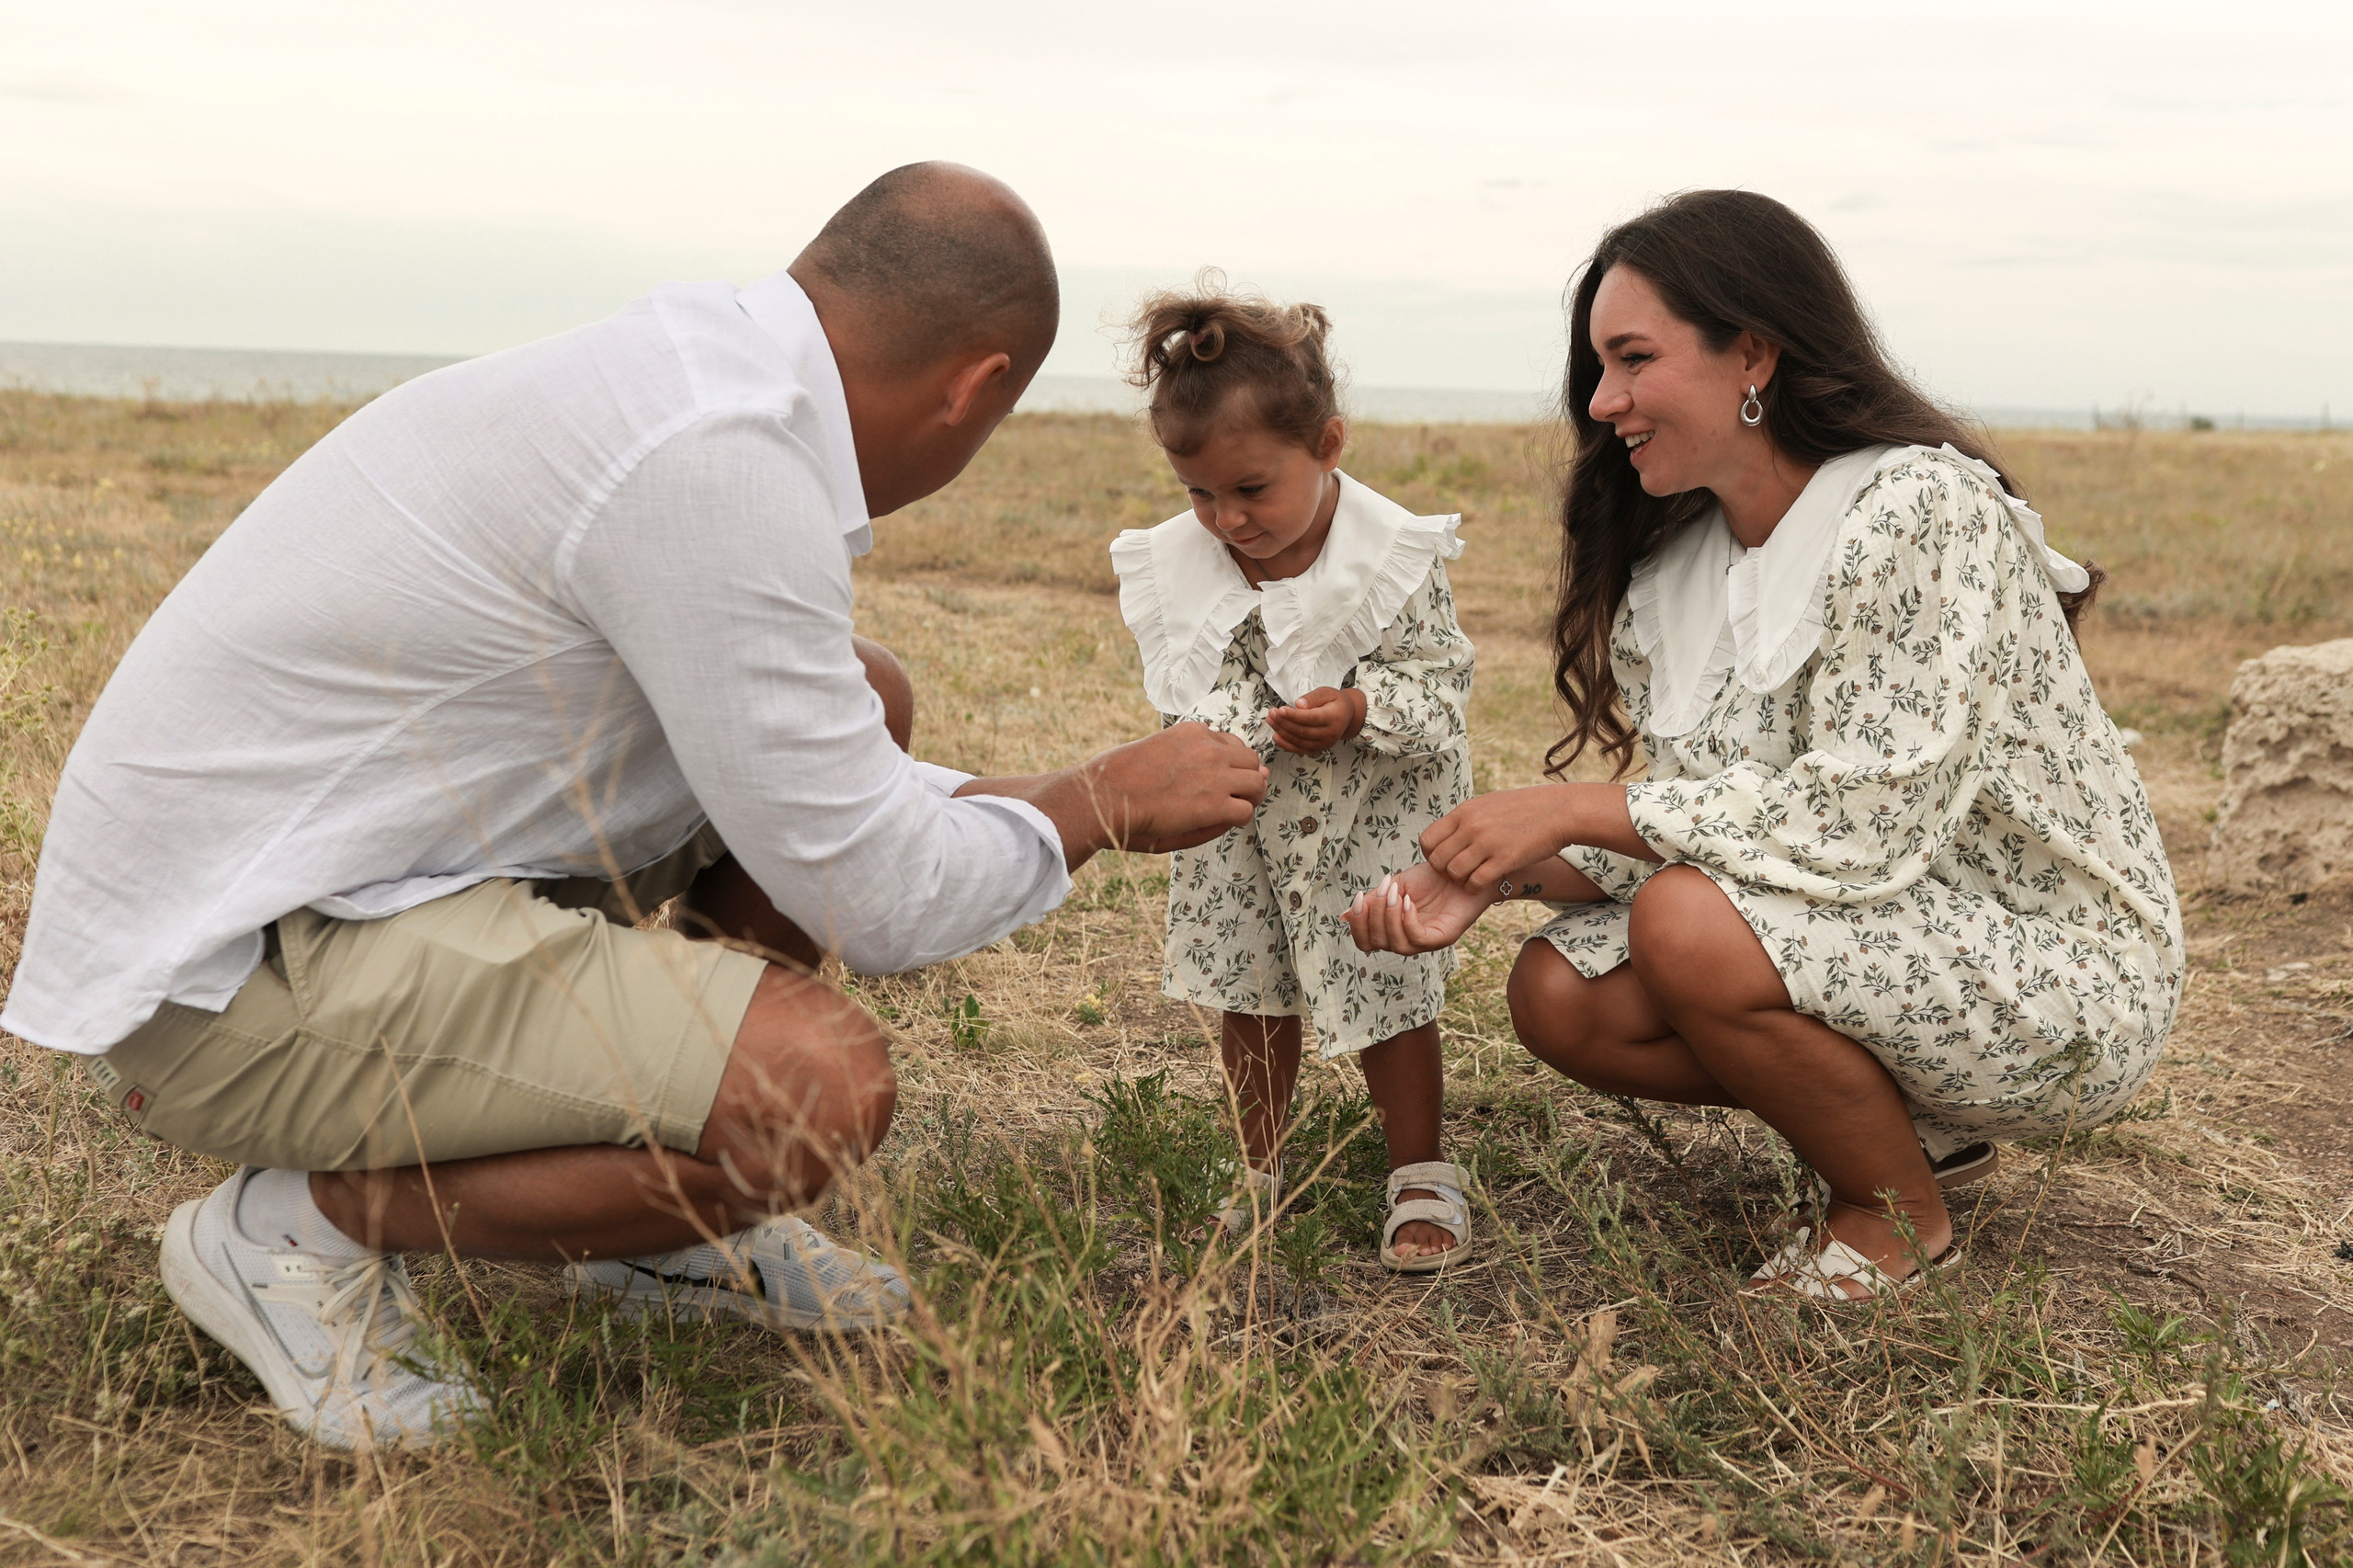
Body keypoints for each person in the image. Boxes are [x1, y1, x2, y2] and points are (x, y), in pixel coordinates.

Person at [0, 164, 1270, 1449]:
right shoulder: (719, 461)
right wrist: (1093, 806)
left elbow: (821, 778)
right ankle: (293, 1227)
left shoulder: (702, 375)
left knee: (864, 692)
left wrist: (1071, 792)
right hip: (224, 985)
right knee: (815, 1091)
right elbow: (875, 892)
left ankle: (656, 1232)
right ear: (976, 388)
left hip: (328, 878)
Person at [1345, 189, 2182, 1300]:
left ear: (1752, 352)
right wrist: (1492, 871)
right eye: (1597, 366)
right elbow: (1719, 822)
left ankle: (1894, 1214)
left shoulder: (1916, 505)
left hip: (2059, 973)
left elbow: (1862, 818)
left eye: (1633, 358)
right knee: (1560, 991)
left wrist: (1575, 805)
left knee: (1684, 921)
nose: (1601, 401)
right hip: (1876, 924)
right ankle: (1906, 1135)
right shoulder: (1677, 568)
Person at [1111, 282, 1476, 1271]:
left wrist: (1355, 709)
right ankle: (1257, 1167)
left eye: (1250, 489)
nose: (1225, 519)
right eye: (1199, 494)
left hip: (1369, 817)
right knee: (1251, 992)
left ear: (1328, 445)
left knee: (1386, 984)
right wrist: (1226, 732)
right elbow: (1188, 695)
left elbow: (1441, 689)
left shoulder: (1392, 560)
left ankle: (1419, 1168)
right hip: (1244, 824)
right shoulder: (1187, 566)